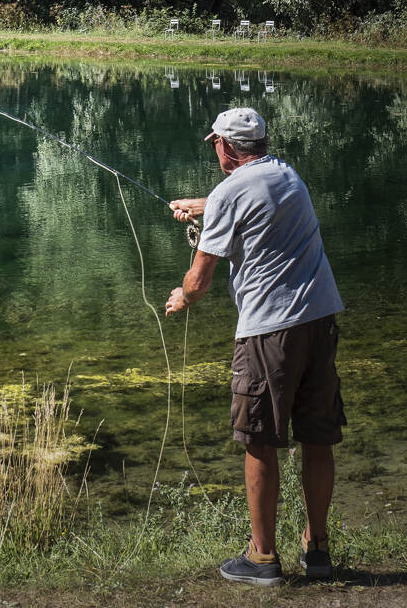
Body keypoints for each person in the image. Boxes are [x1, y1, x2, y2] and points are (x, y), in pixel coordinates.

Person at [164, 107, 344, 587]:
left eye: (215, 144)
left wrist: (183, 296)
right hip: (321, 317)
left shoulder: (229, 191)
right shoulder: (286, 173)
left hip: (269, 330)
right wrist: (208, 206)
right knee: (317, 435)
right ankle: (318, 549)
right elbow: (251, 200)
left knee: (260, 438)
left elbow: (199, 281)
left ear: (224, 146)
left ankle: (262, 558)